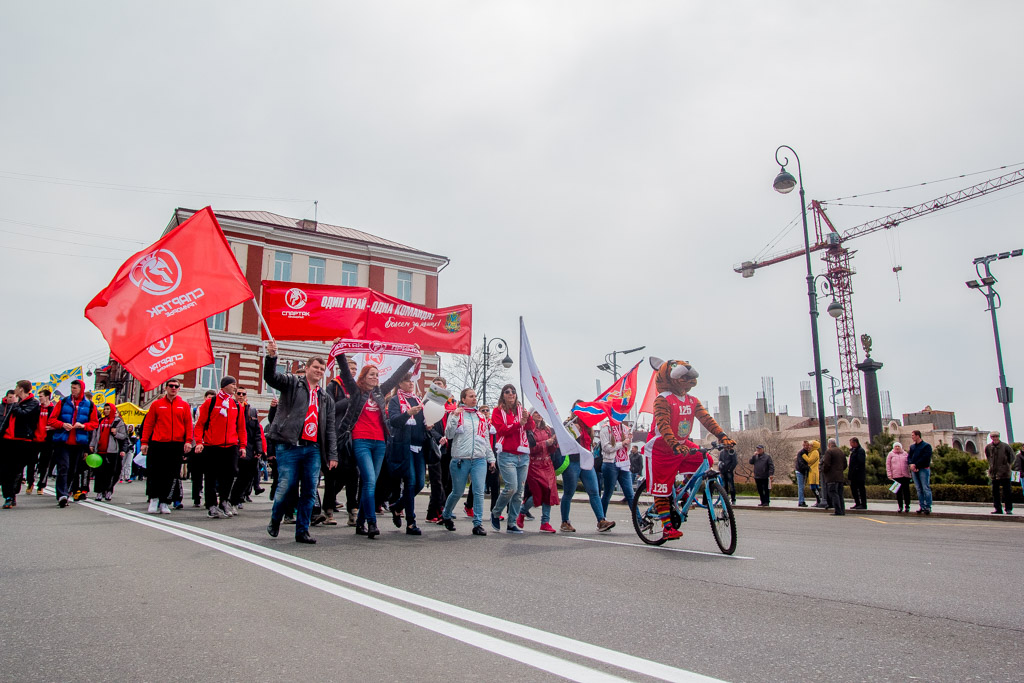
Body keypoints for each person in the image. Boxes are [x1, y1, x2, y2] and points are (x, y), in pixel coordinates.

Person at [331, 348, 413, 540]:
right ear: (363, 377)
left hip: (380, 443)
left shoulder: (380, 392)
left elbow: (395, 377)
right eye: (371, 374)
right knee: (368, 480)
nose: (375, 377)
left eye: (377, 375)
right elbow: (345, 372)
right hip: (361, 441)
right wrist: (339, 353)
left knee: (371, 483)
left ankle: (360, 522)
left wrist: (410, 361)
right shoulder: (356, 392)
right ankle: (371, 522)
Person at [265, 340, 338, 544]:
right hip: (290, 445)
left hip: (313, 448)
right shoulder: (292, 384)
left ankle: (302, 530)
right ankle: (275, 519)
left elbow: (330, 428)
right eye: (315, 367)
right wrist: (272, 357)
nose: (319, 371)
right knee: (286, 486)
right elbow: (271, 377)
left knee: (309, 490)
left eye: (322, 369)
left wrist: (332, 454)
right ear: (307, 368)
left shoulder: (325, 398)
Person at [441, 388, 496, 535]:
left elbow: (485, 439)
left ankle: (477, 523)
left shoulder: (481, 417)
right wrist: (454, 417)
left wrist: (491, 458)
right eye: (471, 396)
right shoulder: (456, 414)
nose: (474, 398)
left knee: (479, 491)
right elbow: (449, 434)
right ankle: (446, 514)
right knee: (457, 492)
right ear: (463, 399)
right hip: (461, 459)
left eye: (475, 396)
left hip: (479, 459)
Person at [195, 376, 247, 519]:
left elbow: (241, 428)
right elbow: (200, 424)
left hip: (230, 446)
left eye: (235, 384)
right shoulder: (210, 403)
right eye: (232, 384)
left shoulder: (236, 405)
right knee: (211, 476)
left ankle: (224, 501)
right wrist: (199, 442)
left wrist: (242, 445)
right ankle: (211, 504)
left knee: (229, 475)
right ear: (224, 386)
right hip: (212, 446)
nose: (235, 387)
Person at [386, 373, 431, 535]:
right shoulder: (395, 400)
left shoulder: (418, 400)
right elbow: (394, 421)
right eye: (407, 381)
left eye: (412, 381)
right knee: (410, 482)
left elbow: (422, 422)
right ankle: (411, 522)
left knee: (420, 483)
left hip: (419, 446)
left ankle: (397, 506)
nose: (411, 384)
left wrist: (428, 425)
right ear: (400, 383)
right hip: (404, 446)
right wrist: (408, 413)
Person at [140, 380, 194, 514]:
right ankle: (154, 499)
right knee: (155, 473)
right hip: (158, 443)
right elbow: (149, 424)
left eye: (176, 386)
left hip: (176, 444)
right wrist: (144, 442)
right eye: (171, 386)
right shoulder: (157, 404)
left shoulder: (184, 405)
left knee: (171, 474)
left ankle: (165, 501)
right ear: (166, 388)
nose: (173, 388)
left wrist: (188, 441)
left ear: (179, 389)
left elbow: (188, 424)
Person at [560, 402, 615, 533]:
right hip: (573, 461)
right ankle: (565, 522)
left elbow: (589, 443)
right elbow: (564, 441)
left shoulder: (588, 425)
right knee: (569, 492)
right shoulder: (568, 423)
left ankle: (601, 520)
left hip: (586, 461)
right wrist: (573, 430)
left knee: (594, 491)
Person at [489, 384, 534, 534]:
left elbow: (530, 427)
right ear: (503, 395)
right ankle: (496, 512)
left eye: (513, 391)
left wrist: (527, 418)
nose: (511, 394)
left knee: (519, 491)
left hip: (523, 455)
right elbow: (501, 430)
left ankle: (512, 523)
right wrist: (518, 424)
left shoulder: (521, 410)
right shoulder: (497, 411)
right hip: (507, 454)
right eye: (507, 392)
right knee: (511, 487)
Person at [48, 379, 99, 508]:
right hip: (63, 440)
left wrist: (83, 426)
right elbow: (51, 420)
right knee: (63, 467)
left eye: (75, 388)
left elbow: (94, 423)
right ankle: (62, 495)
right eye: (72, 388)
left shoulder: (90, 405)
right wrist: (62, 424)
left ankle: (67, 491)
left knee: (72, 469)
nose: (72, 390)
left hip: (78, 442)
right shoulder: (63, 402)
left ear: (81, 389)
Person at [325, 355, 360, 526]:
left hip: (352, 436)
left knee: (353, 474)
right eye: (351, 369)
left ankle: (352, 510)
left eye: (355, 370)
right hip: (336, 434)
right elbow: (328, 408)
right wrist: (348, 401)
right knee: (333, 474)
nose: (353, 372)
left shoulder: (357, 389)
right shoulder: (333, 386)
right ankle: (327, 510)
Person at [1, 380, 42, 508]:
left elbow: (24, 415)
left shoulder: (33, 403)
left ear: (21, 389)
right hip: (7, 440)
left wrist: (14, 404)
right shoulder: (15, 402)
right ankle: (8, 496)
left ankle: (12, 493)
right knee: (5, 470)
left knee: (16, 470)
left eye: (16, 387)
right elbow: (6, 420)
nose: (15, 389)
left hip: (22, 441)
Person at [519, 411, 560, 532]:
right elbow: (529, 448)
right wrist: (545, 443)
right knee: (538, 494)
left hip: (547, 464)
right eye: (535, 412)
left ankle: (545, 522)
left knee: (549, 491)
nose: (539, 414)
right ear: (531, 415)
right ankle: (522, 511)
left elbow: (551, 450)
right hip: (534, 465)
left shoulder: (547, 429)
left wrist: (554, 442)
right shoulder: (528, 430)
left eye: (540, 412)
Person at [230, 387, 265, 508]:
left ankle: (237, 498)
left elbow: (257, 432)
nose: (241, 395)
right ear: (235, 395)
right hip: (234, 446)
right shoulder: (230, 408)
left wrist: (259, 449)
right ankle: (229, 499)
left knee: (246, 476)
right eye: (238, 393)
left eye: (243, 394)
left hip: (249, 448)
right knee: (231, 475)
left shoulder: (252, 411)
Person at [89, 403, 127, 501]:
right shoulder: (100, 421)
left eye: (108, 409)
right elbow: (95, 434)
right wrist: (92, 445)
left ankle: (108, 490)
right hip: (100, 450)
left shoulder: (118, 422)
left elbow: (123, 436)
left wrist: (116, 433)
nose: (105, 411)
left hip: (112, 451)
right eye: (105, 409)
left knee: (110, 473)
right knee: (99, 473)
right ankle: (99, 492)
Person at [599, 419, 635, 515]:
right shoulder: (605, 428)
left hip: (624, 463)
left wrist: (629, 441)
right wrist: (621, 443)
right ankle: (602, 518)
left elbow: (627, 448)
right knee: (608, 493)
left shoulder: (625, 428)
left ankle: (638, 519)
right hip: (610, 463)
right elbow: (606, 448)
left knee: (630, 494)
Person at [33, 389, 57, 494]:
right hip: (35, 439)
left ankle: (41, 486)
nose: (39, 398)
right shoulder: (36, 408)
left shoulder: (53, 409)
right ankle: (30, 482)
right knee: (31, 462)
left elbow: (57, 422)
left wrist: (53, 427)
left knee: (45, 464)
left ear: (47, 397)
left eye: (41, 396)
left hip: (47, 440)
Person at [984, 431, 1014, 515]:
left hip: (1005, 473)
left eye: (996, 436)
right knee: (995, 492)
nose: (995, 438)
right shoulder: (988, 447)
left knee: (1007, 492)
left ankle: (1008, 508)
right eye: (993, 437)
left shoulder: (1005, 446)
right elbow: (988, 457)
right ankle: (998, 508)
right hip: (994, 473)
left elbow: (1011, 457)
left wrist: (1006, 465)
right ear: (991, 438)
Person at [907, 430, 932, 515]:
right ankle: (922, 506)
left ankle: (928, 506)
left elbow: (925, 458)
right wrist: (911, 464)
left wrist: (916, 465)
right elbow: (909, 457)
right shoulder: (912, 447)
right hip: (914, 470)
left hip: (923, 469)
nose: (912, 437)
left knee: (925, 488)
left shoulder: (926, 446)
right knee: (918, 489)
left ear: (918, 436)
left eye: (913, 435)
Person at [822, 438, 847, 516]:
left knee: (833, 493)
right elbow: (845, 464)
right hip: (840, 476)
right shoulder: (841, 451)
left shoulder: (829, 452)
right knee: (840, 494)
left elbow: (826, 464)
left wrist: (824, 471)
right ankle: (842, 510)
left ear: (829, 444)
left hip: (831, 477)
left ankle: (838, 510)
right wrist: (840, 470)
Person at [886, 441, 912, 513]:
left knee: (906, 492)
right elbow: (888, 465)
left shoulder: (905, 454)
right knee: (898, 492)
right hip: (896, 476)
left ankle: (907, 506)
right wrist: (889, 474)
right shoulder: (890, 454)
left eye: (898, 446)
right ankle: (900, 506)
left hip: (905, 475)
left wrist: (910, 474)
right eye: (896, 446)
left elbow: (909, 463)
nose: (897, 447)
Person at [848, 437, 867, 510]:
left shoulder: (860, 451)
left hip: (859, 475)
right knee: (854, 489)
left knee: (861, 489)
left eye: (851, 443)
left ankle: (863, 504)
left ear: (855, 443)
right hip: (853, 475)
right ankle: (857, 503)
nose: (850, 445)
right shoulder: (854, 451)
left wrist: (855, 470)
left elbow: (860, 462)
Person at [804, 440, 823, 507]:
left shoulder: (815, 452)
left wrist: (804, 455)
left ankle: (819, 500)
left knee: (814, 487)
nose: (809, 447)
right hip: (812, 471)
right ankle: (818, 500)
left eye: (810, 445)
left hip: (814, 472)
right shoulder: (812, 452)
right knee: (814, 487)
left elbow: (810, 461)